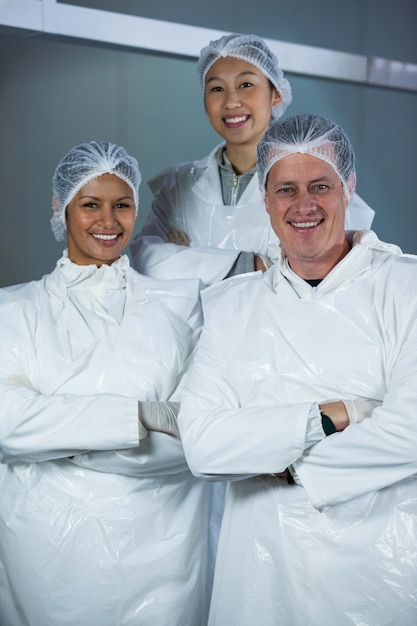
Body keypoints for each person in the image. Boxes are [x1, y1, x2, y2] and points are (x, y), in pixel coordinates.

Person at [177, 114, 417, 625]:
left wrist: (283, 463)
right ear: (264, 200)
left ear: (348, 188)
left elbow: (412, 429)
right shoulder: (232, 306)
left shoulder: (406, 288)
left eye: (321, 186)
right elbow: (201, 443)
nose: (303, 205)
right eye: (285, 189)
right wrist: (338, 414)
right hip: (259, 577)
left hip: (378, 575)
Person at [0, 141, 217, 626]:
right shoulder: (12, 312)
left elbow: (199, 440)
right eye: (90, 205)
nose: (108, 221)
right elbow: (6, 424)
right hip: (44, 559)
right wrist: (138, 415)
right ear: (61, 208)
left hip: (167, 561)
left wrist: (56, 442)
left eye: (122, 205)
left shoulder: (180, 305)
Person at [130, 33, 375, 286]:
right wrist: (255, 264)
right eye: (216, 88)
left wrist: (186, 259)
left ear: (276, 94)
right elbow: (146, 260)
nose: (231, 101)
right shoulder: (178, 184)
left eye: (245, 84)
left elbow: (327, 275)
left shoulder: (318, 180)